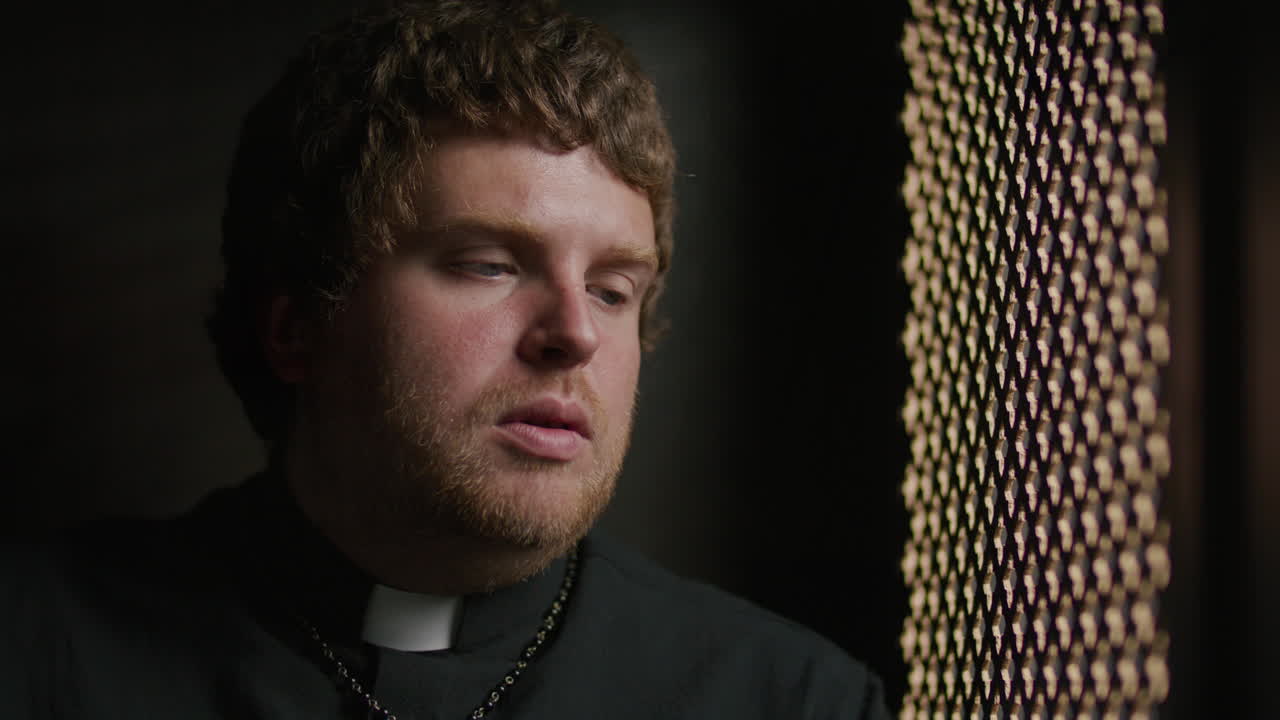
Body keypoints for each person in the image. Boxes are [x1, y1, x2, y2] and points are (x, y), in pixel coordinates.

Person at [2, 1, 890, 717]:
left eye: (615, 288)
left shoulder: (793, 699)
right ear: (297, 327)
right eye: (489, 265)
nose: (574, 333)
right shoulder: (34, 648)